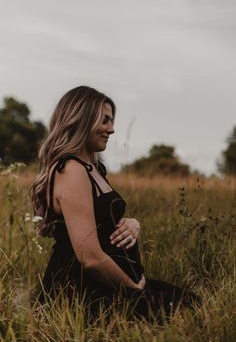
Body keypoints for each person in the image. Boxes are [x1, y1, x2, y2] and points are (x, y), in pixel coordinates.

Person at [31, 85, 200, 322]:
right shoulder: (71, 170)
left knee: (191, 302)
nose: (112, 129)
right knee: (180, 312)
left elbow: (103, 220)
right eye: (105, 120)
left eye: (112, 121)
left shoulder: (93, 168)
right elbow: (89, 258)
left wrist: (133, 223)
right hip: (82, 291)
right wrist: (135, 290)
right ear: (82, 120)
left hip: (113, 283)